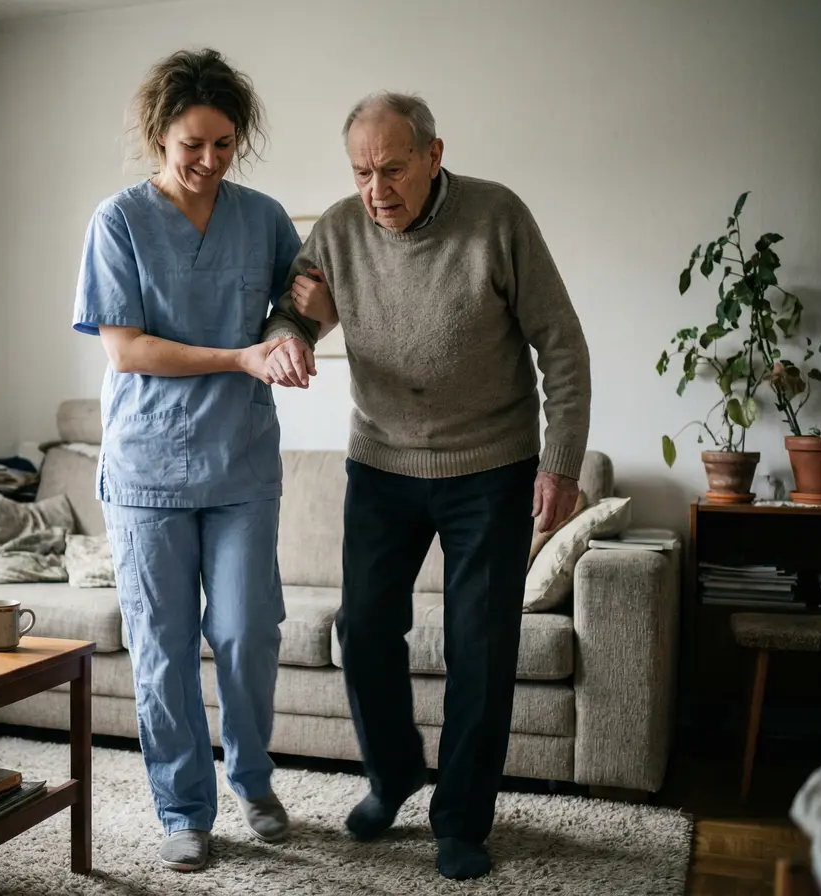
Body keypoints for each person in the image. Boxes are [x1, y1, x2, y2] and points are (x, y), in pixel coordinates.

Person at [262, 92, 591, 881]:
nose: (377, 188)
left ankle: (462, 818)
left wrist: (562, 464)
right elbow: (294, 315)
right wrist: (286, 336)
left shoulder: (497, 218)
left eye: (394, 168)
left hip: (492, 470)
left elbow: (564, 347)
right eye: (362, 170)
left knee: (480, 649)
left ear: (434, 156)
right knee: (364, 629)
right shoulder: (340, 229)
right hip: (379, 465)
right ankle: (395, 773)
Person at [71, 48, 302, 873]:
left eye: (224, 145)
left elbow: (296, 312)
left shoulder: (266, 217)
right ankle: (182, 806)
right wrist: (241, 358)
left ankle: (252, 776)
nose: (208, 163)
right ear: (157, 137)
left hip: (241, 465)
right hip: (147, 470)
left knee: (246, 633)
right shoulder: (119, 221)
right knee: (163, 649)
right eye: (191, 147)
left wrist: (291, 335)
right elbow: (127, 350)